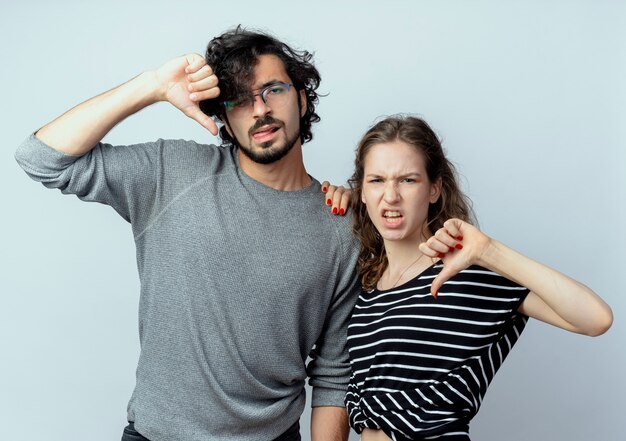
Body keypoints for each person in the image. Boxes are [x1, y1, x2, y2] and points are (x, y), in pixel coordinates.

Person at [15, 27, 358, 441]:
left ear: (302, 98)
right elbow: (41, 159)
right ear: (225, 121)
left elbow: (333, 372)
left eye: (272, 90)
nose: (258, 109)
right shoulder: (172, 172)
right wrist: (152, 85)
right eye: (238, 100)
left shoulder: (343, 226)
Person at [344, 115, 613, 441]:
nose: (391, 195)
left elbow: (595, 318)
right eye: (377, 180)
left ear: (434, 189)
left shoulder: (464, 276)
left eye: (408, 180)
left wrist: (488, 251)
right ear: (360, 191)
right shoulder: (365, 285)